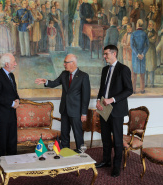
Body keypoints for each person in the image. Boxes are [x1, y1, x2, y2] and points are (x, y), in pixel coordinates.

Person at [35, 54, 90, 152]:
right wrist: (46, 81)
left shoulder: (83, 76)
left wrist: (84, 113)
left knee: (77, 133)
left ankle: (81, 153)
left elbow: (86, 96)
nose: (64, 64)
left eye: (66, 62)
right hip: (64, 109)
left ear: (72, 63)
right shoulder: (64, 74)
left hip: (76, 111)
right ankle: (65, 151)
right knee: (64, 133)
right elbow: (54, 83)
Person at [95, 45, 133, 177]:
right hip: (104, 109)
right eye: (104, 54)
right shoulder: (105, 69)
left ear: (114, 53)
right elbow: (102, 88)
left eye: (106, 54)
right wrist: (98, 101)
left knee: (117, 140)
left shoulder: (123, 69)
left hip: (116, 110)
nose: (104, 56)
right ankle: (106, 161)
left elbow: (129, 90)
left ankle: (116, 166)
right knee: (105, 138)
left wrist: (113, 99)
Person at [0, 53, 20, 166]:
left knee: (12, 139)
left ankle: (13, 161)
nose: (15, 64)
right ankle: (2, 163)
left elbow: (14, 92)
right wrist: (12, 103)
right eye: (14, 62)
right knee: (2, 141)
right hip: (1, 115)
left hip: (11, 113)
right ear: (7, 64)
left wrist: (17, 100)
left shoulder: (11, 75)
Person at [130, 19, 149, 94]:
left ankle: (133, 90)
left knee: (134, 73)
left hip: (135, 56)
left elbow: (132, 45)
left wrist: (137, 54)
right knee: (142, 73)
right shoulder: (144, 34)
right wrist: (143, 54)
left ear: (137, 24)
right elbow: (147, 45)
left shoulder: (133, 34)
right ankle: (142, 89)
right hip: (143, 56)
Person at [145, 20, 157, 88]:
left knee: (151, 68)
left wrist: (147, 39)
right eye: (148, 24)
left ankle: (152, 83)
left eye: (150, 24)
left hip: (152, 53)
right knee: (146, 69)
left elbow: (153, 40)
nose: (149, 25)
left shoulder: (154, 33)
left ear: (153, 25)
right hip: (146, 52)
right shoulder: (145, 32)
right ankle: (146, 83)